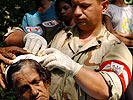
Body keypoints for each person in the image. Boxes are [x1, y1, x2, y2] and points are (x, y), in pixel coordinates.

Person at [3, 0, 132, 100]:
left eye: (84, 6)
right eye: (74, 5)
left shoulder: (116, 48)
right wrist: (28, 37)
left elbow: (106, 90)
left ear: (104, 6)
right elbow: (10, 37)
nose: (76, 12)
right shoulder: (56, 30)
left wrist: (74, 68)